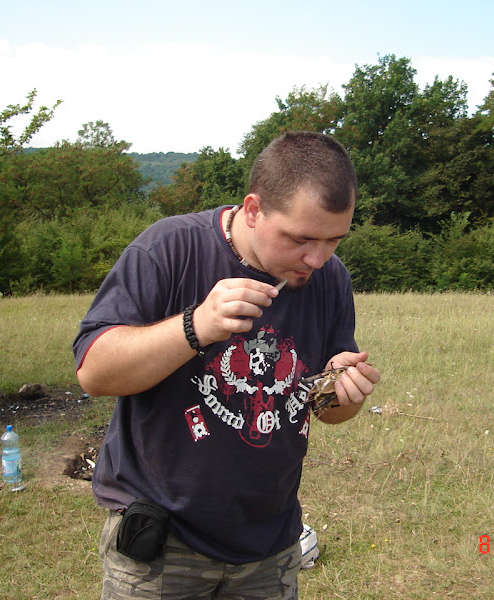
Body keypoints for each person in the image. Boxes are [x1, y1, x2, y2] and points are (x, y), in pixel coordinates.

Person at [73, 131, 381, 600]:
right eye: (301, 239)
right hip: (163, 541)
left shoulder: (330, 279)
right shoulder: (169, 249)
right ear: (253, 210)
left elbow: (326, 411)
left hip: (271, 544)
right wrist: (195, 326)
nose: (317, 259)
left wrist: (344, 392)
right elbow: (94, 372)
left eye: (334, 240)